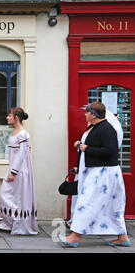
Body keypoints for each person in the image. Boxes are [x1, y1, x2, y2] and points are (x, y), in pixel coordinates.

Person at [59, 102, 131, 248]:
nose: (84, 114)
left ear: (94, 114)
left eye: (87, 112)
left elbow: (110, 151)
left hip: (105, 173)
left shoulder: (106, 129)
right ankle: (122, 237)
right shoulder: (94, 127)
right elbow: (90, 147)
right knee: (110, 205)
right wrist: (80, 153)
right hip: (97, 170)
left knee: (87, 202)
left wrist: (86, 148)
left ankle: (74, 237)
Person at [0, 107, 38, 235]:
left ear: (17, 118)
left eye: (10, 115)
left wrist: (14, 172)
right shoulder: (15, 132)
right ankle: (9, 222)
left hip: (20, 170)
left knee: (17, 196)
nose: (7, 118)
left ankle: (18, 223)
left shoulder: (23, 134)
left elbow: (21, 155)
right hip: (14, 168)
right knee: (7, 194)